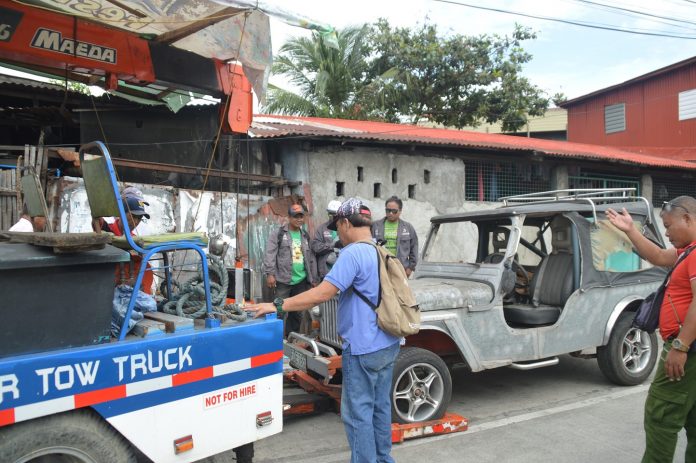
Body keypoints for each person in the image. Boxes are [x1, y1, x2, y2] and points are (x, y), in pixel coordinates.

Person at [248, 198, 401, 463]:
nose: (336, 233)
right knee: (379, 407)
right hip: (388, 343)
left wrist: (277, 304)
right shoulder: (379, 249)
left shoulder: (353, 253)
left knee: (357, 414)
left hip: (364, 348)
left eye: (337, 226)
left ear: (345, 223)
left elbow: (320, 294)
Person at [607, 196, 696, 463]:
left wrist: (680, 346)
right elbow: (657, 255)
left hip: (686, 350)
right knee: (692, 416)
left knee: (661, 415)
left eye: (668, 226)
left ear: (688, 219)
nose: (666, 233)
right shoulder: (688, 252)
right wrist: (631, 230)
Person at [262, 203, 318, 336]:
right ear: (289, 217)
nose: (299, 219)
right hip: (283, 280)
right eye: (295, 216)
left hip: (301, 281)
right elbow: (270, 254)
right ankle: (276, 340)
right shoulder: (279, 234)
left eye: (301, 216)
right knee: (279, 311)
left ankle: (291, 340)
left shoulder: (305, 235)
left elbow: (310, 258)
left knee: (297, 313)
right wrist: (270, 274)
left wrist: (313, 278)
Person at [97, 195, 154, 295]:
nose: (135, 222)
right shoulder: (107, 229)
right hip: (107, 281)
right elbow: (97, 222)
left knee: (146, 266)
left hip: (129, 285)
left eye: (139, 218)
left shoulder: (134, 238)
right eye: (132, 216)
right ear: (121, 214)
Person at [371, 196, 419, 277]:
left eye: (394, 211)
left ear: (400, 211)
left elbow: (414, 247)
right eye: (388, 210)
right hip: (380, 268)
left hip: (401, 268)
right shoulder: (375, 226)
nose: (390, 213)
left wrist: (410, 268)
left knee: (399, 290)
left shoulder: (408, 227)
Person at [311, 199, 343, 280]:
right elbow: (315, 247)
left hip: (342, 271)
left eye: (334, 214)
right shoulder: (322, 229)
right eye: (330, 213)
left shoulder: (346, 228)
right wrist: (332, 246)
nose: (332, 216)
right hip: (326, 272)